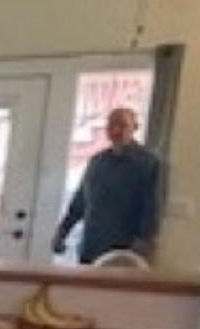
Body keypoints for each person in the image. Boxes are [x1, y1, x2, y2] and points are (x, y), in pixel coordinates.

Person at [51, 106, 163, 264]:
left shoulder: (148, 163)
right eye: (111, 125)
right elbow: (80, 202)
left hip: (126, 249)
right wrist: (62, 232)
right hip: (91, 244)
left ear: (135, 128)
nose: (116, 130)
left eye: (122, 125)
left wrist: (144, 240)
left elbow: (152, 206)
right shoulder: (97, 162)